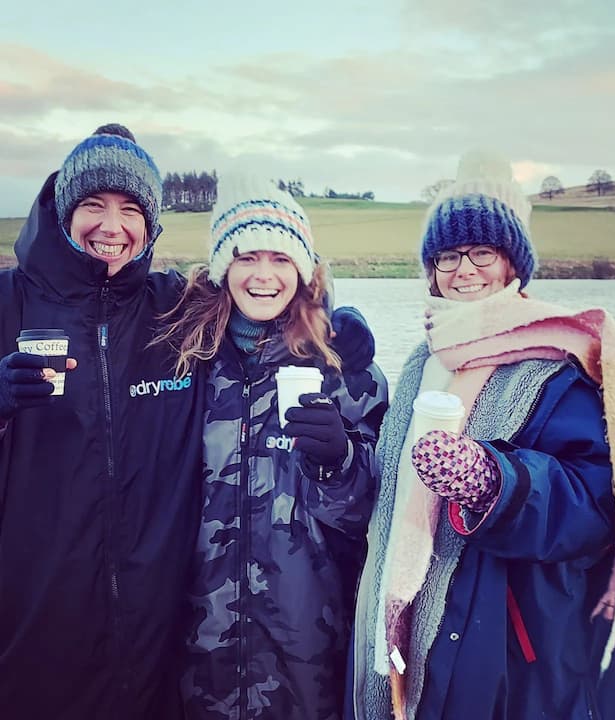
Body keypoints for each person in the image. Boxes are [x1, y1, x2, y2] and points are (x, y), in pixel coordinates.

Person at [0, 125, 378, 720]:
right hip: (87, 635)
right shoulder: (23, 304)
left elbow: (377, 512)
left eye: (130, 210)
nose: (111, 225)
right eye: (94, 204)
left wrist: (336, 324)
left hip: (254, 650)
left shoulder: (188, 319)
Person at [346, 152, 615, 720]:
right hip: (422, 629)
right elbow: (390, 490)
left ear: (513, 266)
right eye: (447, 255)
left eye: (483, 252)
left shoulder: (559, 363)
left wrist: (494, 483)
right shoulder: (423, 362)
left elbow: (597, 504)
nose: (464, 269)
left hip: (516, 651)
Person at [151, 174, 388, 720]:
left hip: (307, 657)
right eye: (247, 257)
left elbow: (377, 516)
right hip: (192, 654)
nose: (263, 275)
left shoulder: (347, 370)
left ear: (303, 270)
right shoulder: (182, 360)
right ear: (222, 267)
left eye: (280, 259)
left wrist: (339, 465)